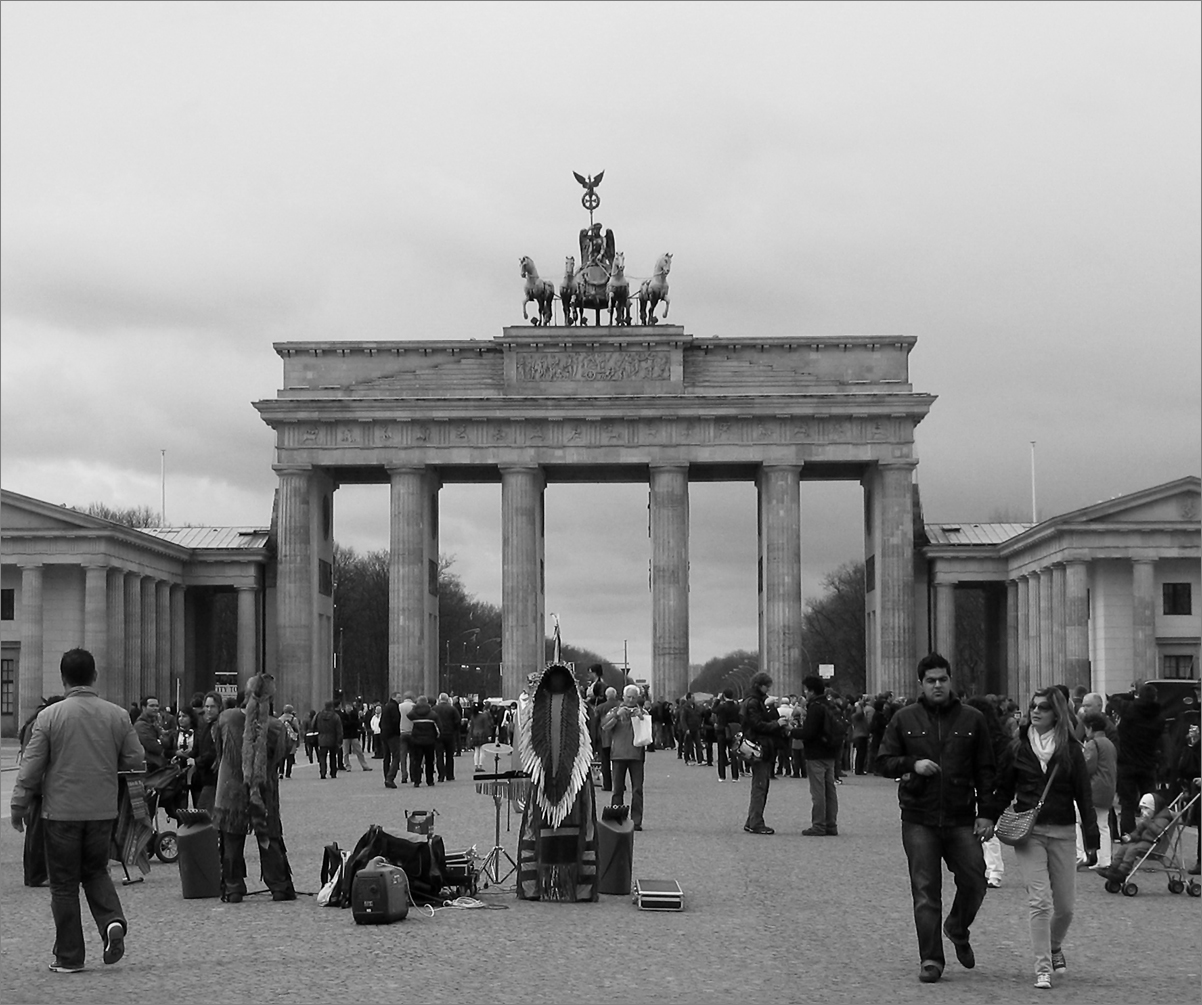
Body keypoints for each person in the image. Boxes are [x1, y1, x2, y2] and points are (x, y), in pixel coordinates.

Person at [10, 648, 144, 973]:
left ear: (63, 678)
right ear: (94, 676)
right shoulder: (117, 715)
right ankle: (112, 921)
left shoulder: (50, 716)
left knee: (64, 884)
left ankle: (69, 956)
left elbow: (31, 767)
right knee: (96, 871)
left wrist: (19, 804)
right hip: (101, 810)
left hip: (61, 812)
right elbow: (136, 759)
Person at [877, 653, 997, 985]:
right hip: (919, 816)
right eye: (931, 680)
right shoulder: (904, 718)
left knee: (975, 879)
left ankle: (957, 926)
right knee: (926, 891)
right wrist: (911, 763)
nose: (938, 685)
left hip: (961, 815)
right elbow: (883, 761)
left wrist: (987, 813)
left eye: (943, 679)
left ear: (951, 680)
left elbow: (987, 770)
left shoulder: (973, 719)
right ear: (921, 684)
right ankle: (931, 958)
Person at [994, 686, 1099, 990]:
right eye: (1033, 706)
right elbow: (1002, 790)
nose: (1035, 711)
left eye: (1043, 707)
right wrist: (986, 817)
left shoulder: (1071, 749)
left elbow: (1084, 795)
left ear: (1057, 713)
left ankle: (1053, 945)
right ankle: (1042, 966)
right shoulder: (1017, 748)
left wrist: (1091, 838)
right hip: (1031, 833)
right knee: (1040, 902)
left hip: (1064, 831)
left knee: (1065, 908)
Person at [211, 674, 296, 903]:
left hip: (230, 788)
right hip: (263, 790)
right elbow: (284, 753)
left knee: (231, 839)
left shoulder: (226, 718)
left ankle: (233, 887)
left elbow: (218, 747)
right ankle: (279, 886)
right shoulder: (277, 727)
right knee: (269, 836)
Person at [1115, 683, 1163, 834]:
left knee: (1127, 803)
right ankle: (1149, 834)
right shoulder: (1159, 718)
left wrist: (1131, 696)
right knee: (1149, 803)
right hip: (1148, 764)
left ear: (1138, 696)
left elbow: (1114, 700)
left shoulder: (1129, 710)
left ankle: (1127, 835)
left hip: (1126, 763)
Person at [602, 685, 649, 830]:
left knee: (637, 789)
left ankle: (636, 821)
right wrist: (616, 716)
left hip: (636, 755)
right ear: (623, 697)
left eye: (634, 697)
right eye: (628, 697)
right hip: (618, 755)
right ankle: (617, 818)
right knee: (617, 790)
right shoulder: (615, 710)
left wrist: (641, 717)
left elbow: (648, 731)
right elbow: (605, 727)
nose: (631, 700)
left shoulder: (642, 712)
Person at [1098, 792, 1175, 881]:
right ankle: (1113, 867)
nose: (1143, 811)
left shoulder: (1162, 819)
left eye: (1146, 808)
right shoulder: (1149, 819)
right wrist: (1131, 837)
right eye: (1142, 809)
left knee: (1132, 850)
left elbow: (1158, 831)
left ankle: (1123, 870)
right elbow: (1138, 831)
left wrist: (1147, 822)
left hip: (1153, 844)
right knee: (1124, 848)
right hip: (1143, 841)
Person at [798, 676, 840, 836]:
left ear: (811, 690)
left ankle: (819, 825)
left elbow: (809, 732)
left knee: (818, 792)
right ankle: (831, 824)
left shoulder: (815, 707)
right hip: (831, 751)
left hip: (816, 753)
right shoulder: (830, 704)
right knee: (830, 790)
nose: (805, 693)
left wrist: (792, 731)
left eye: (806, 690)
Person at [741, 671, 782, 835]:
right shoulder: (753, 703)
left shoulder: (752, 701)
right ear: (760, 685)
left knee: (760, 784)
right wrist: (776, 724)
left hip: (757, 745)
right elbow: (758, 725)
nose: (768, 689)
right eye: (767, 686)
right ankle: (756, 822)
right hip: (759, 746)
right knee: (760, 786)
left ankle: (752, 820)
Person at [1080, 712, 1117, 871]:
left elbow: (1087, 767)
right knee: (1103, 824)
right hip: (1108, 787)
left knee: (1077, 817)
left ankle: (1081, 854)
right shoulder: (1109, 743)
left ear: (1090, 728)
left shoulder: (1092, 744)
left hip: (1094, 788)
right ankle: (1105, 859)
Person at [192, 692, 222, 810]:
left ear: (219, 707)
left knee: (204, 811)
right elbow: (198, 747)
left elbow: (215, 751)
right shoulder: (206, 725)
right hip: (202, 776)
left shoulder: (218, 726)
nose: (209, 710)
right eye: (207, 706)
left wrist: (197, 761)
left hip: (213, 776)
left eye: (212, 707)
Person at [407, 696, 439, 787]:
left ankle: (417, 780)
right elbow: (439, 726)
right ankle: (430, 780)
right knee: (429, 761)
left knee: (417, 761)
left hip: (416, 740)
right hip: (429, 740)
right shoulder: (432, 714)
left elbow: (409, 715)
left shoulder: (414, 714)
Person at [713, 688, 742, 782]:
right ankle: (735, 776)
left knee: (721, 753)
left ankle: (722, 776)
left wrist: (717, 699)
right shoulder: (737, 707)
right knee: (734, 754)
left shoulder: (722, 707)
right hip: (733, 731)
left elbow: (713, 709)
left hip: (722, 731)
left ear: (724, 696)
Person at [135, 695, 167, 771]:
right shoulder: (141, 725)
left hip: (157, 763)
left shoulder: (154, 723)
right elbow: (152, 746)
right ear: (143, 708)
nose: (155, 708)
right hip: (150, 765)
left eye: (157, 706)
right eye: (152, 706)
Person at [313, 700, 343, 779]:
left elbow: (313, 725)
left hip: (322, 738)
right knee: (333, 756)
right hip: (333, 739)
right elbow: (339, 730)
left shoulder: (319, 715)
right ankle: (333, 772)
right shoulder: (335, 716)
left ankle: (323, 772)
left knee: (322, 757)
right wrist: (339, 740)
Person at [433, 692, 459, 782]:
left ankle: (441, 775)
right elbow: (457, 720)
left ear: (439, 699)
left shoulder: (434, 709)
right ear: (447, 699)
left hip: (438, 734)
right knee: (449, 755)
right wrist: (454, 730)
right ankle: (450, 775)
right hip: (450, 734)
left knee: (439, 755)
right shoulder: (452, 709)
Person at [339, 701, 372, 772]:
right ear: (345, 708)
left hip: (354, 735)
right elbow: (344, 725)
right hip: (346, 735)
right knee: (346, 753)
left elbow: (357, 723)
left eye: (350, 707)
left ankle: (365, 765)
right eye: (347, 707)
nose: (349, 709)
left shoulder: (354, 714)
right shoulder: (342, 715)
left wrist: (350, 724)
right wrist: (352, 724)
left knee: (359, 751)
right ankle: (347, 766)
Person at [379, 692, 402, 788]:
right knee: (396, 756)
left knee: (386, 757)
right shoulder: (394, 707)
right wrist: (397, 732)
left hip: (384, 734)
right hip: (392, 735)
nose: (400, 699)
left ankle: (386, 777)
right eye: (399, 697)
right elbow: (396, 720)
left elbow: (381, 722)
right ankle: (390, 777)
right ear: (394, 697)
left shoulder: (386, 706)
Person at [277, 704, 301, 779]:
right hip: (291, 739)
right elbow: (297, 730)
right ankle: (288, 773)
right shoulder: (293, 719)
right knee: (290, 756)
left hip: (282, 739)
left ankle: (281, 772)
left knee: (282, 757)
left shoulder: (280, 719)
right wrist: (298, 741)